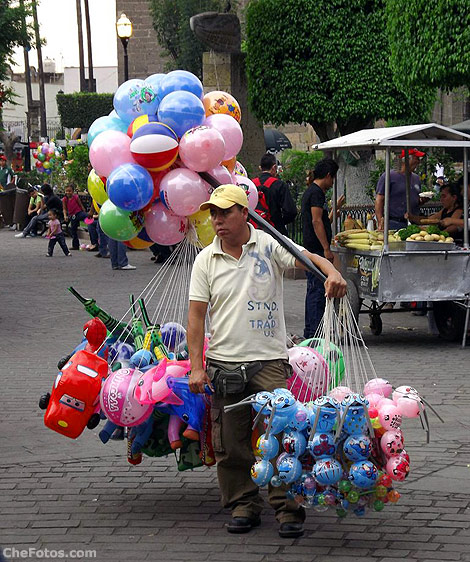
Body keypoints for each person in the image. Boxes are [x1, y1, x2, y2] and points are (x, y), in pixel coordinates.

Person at [187, 184, 346, 538]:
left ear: (245, 213)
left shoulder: (269, 245)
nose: (217, 220)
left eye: (225, 212)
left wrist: (331, 271)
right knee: (231, 443)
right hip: (224, 363)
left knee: (284, 437)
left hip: (270, 360)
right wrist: (197, 366)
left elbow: (307, 258)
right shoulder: (205, 260)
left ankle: (288, 507)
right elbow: (196, 317)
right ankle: (244, 504)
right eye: (213, 213)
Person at [301, 158, 339, 338]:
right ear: (328, 175)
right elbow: (316, 221)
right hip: (316, 249)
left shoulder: (312, 192)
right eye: (333, 179)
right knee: (317, 291)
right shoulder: (317, 193)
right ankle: (315, 332)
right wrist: (326, 248)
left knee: (313, 290)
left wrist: (332, 214)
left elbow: (321, 220)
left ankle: (311, 330)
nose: (332, 184)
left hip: (312, 246)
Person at [375, 148, 425, 231]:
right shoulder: (389, 176)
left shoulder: (416, 178)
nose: (418, 162)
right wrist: (380, 222)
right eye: (416, 159)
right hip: (394, 223)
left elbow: (415, 202)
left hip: (413, 223)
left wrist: (423, 200)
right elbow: (379, 200)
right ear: (406, 159)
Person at [251, 153, 297, 235]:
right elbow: (291, 211)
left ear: (260, 167)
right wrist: (279, 221)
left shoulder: (251, 184)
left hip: (254, 231)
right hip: (275, 232)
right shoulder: (280, 185)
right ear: (274, 167)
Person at [62, 184, 98, 251]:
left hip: (79, 213)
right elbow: (64, 208)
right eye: (66, 191)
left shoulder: (76, 197)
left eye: (69, 191)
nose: (68, 192)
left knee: (89, 220)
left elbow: (81, 205)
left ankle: (95, 243)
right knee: (73, 230)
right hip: (72, 216)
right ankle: (75, 245)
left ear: (73, 191)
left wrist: (84, 212)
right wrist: (65, 215)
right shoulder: (65, 199)